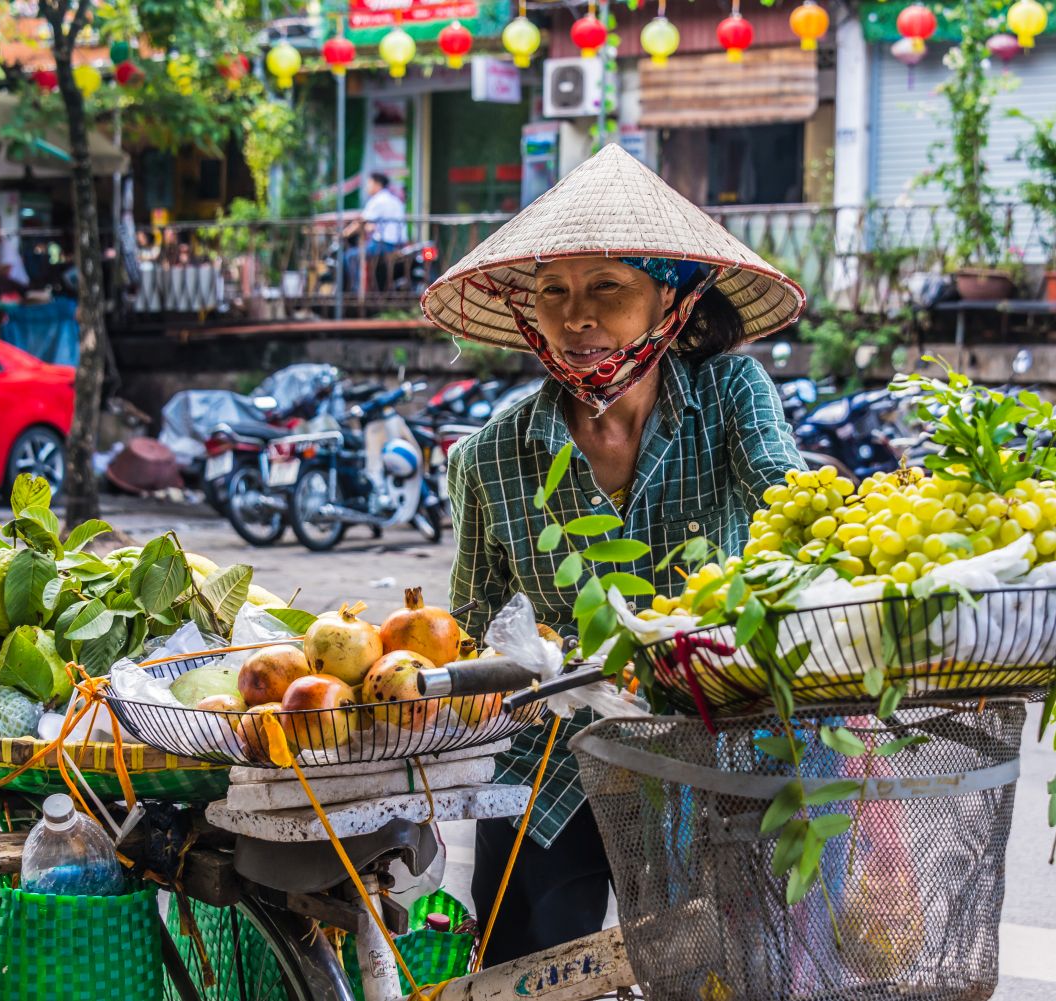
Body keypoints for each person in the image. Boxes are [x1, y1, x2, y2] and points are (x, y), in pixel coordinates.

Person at [421, 144, 807, 966]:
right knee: (525, 972)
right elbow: (469, 628)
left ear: (668, 296)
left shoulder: (730, 398)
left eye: (607, 288)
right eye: (554, 293)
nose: (577, 316)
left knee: (718, 968)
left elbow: (790, 506)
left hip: (707, 748)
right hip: (547, 777)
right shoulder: (490, 456)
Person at [341, 172, 407, 291]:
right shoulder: (393, 200)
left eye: (369, 183)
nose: (367, 187)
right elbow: (372, 223)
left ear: (377, 184)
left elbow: (361, 221)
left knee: (350, 256)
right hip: (398, 244)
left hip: (384, 244)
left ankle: (356, 291)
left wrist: (344, 233)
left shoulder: (378, 200)